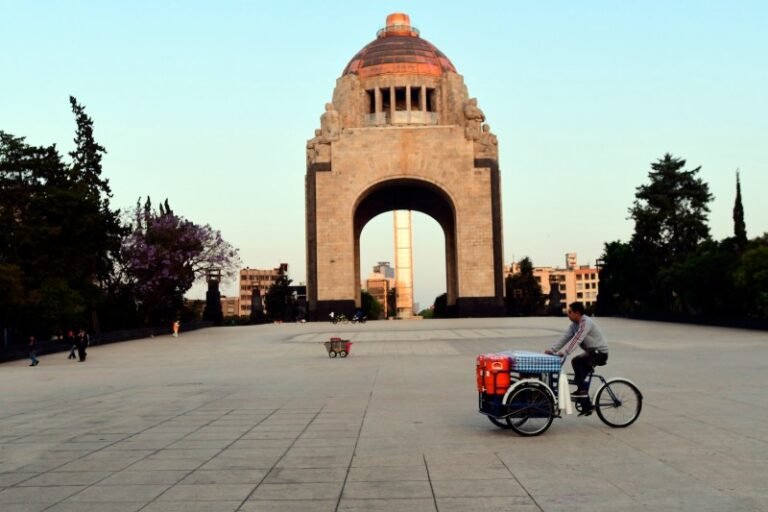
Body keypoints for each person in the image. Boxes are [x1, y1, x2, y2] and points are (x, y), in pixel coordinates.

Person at [545, 302, 608, 414]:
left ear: (577, 313)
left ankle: (582, 392)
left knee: (577, 362)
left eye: (570, 312)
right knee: (579, 377)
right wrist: (552, 350)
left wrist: (565, 352)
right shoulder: (574, 325)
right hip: (591, 353)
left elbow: (577, 339)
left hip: (599, 353)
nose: (567, 314)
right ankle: (586, 405)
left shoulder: (585, 322)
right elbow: (565, 337)